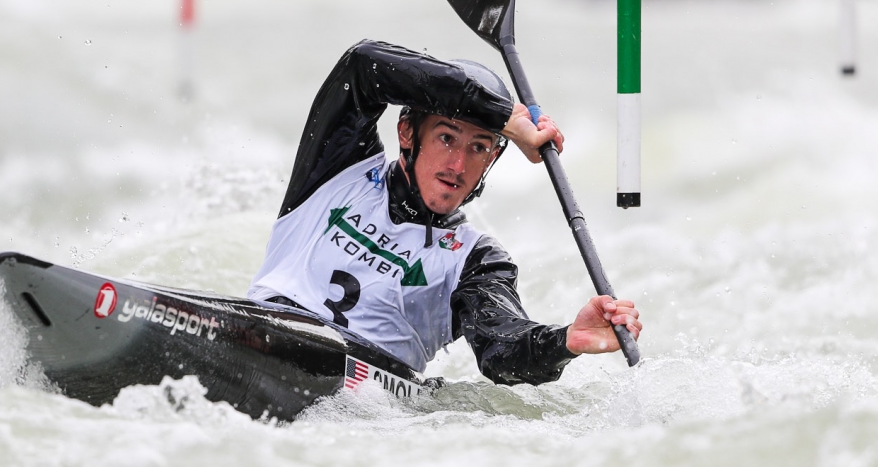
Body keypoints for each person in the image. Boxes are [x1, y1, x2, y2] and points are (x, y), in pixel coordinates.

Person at [248, 39, 641, 384]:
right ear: (407, 133)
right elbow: (362, 63)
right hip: (258, 332)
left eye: (479, 147)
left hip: (357, 403)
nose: (458, 165)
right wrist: (502, 117)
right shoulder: (337, 169)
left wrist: (566, 340)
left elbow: (500, 350)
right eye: (447, 138)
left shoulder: (474, 261)